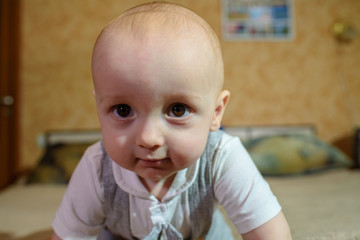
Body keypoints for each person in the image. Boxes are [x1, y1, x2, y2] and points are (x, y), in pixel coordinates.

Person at [52, 2, 292, 240]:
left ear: (216, 113)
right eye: (123, 110)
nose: (148, 138)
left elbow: (271, 234)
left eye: (177, 110)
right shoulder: (96, 167)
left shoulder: (222, 157)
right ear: (99, 108)